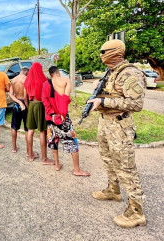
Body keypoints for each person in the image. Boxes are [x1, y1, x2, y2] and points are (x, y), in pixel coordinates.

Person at [87, 39, 146, 228]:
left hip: (120, 126)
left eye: (104, 51)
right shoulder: (110, 73)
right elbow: (111, 95)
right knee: (108, 160)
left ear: (115, 52)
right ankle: (113, 190)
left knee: (126, 167)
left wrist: (104, 103)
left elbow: (136, 104)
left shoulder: (129, 73)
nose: (101, 54)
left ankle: (136, 212)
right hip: (105, 124)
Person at [42, 66, 90, 176]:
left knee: (53, 140)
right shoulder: (66, 81)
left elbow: (45, 100)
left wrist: (53, 114)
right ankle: (77, 170)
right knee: (72, 142)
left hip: (51, 118)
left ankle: (57, 164)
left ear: (50, 74)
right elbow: (65, 98)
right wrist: (62, 115)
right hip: (63, 118)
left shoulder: (45, 84)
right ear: (58, 72)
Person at [24, 62, 54, 165]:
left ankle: (30, 155)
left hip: (32, 105)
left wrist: (29, 107)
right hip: (41, 105)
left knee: (30, 130)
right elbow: (48, 96)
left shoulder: (27, 81)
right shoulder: (44, 80)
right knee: (42, 131)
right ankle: (44, 158)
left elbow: (25, 97)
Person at [9, 66, 31, 155]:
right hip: (25, 103)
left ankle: (14, 148)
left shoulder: (13, 80)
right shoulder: (26, 79)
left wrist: (18, 102)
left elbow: (11, 94)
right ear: (26, 72)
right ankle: (28, 151)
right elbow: (26, 96)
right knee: (27, 128)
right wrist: (27, 106)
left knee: (14, 126)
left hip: (16, 104)